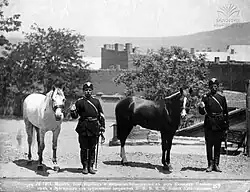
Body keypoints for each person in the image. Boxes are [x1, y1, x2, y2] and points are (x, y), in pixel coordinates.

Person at [70, 82, 105, 174]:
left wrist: (102, 127)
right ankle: (84, 166)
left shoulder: (96, 102)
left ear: (92, 91)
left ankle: (91, 166)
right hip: (83, 127)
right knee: (84, 148)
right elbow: (74, 116)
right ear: (83, 91)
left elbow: (101, 115)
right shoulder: (79, 102)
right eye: (86, 90)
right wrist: (73, 110)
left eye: (89, 90)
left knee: (93, 147)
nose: (88, 92)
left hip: (94, 127)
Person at [198, 78, 229, 172]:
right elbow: (202, 112)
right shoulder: (205, 97)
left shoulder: (221, 97)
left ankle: (216, 164)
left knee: (218, 145)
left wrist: (226, 126)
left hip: (219, 123)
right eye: (212, 86)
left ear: (218, 87)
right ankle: (210, 165)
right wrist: (201, 107)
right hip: (209, 123)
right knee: (209, 145)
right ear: (209, 87)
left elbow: (226, 113)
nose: (214, 87)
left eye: (215, 86)